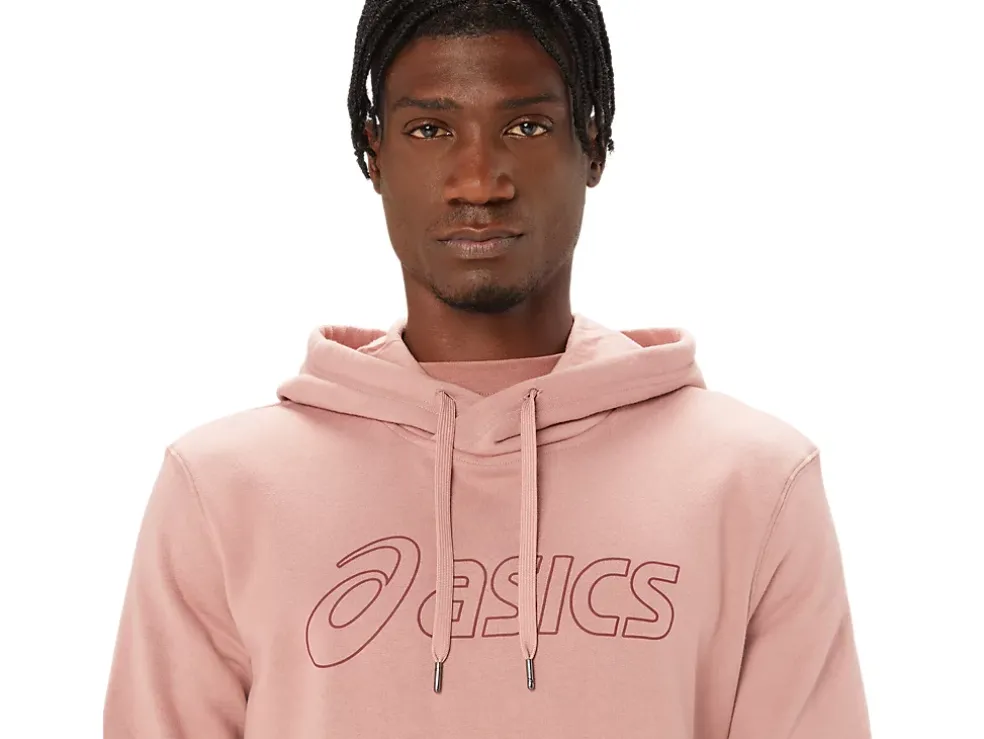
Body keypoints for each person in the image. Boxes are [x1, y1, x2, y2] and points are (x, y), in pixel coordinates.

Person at [103, 1, 871, 737]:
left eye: (526, 126)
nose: (478, 181)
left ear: (593, 143)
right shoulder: (223, 490)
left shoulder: (750, 481)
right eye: (431, 128)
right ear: (373, 151)